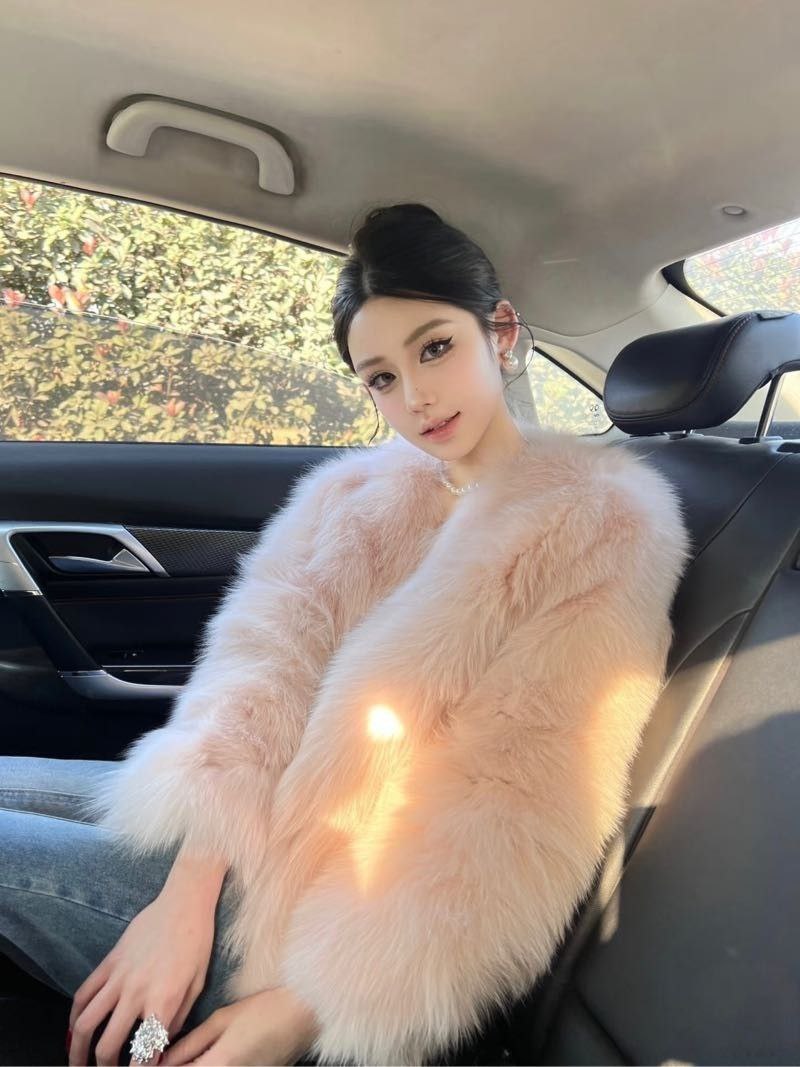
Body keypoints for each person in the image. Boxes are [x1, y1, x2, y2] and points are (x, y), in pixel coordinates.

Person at [0, 202, 691, 1067]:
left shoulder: (603, 526)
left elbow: (517, 803)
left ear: (502, 332)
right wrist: (183, 897)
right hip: (242, 841)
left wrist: (306, 1006)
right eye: (381, 377)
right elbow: (258, 677)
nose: (416, 397)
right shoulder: (354, 498)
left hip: (336, 927)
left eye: (435, 348)